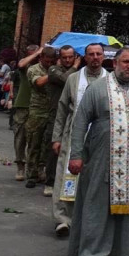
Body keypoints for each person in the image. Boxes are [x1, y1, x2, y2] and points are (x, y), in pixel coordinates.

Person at [66, 46, 129, 256]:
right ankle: (93, 253)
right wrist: (76, 154)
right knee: (98, 204)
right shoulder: (98, 89)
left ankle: (121, 250)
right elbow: (80, 123)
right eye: (125, 62)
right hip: (101, 158)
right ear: (115, 64)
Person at [51, 42, 107, 237]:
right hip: (72, 136)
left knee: (95, 179)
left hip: (100, 139)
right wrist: (56, 137)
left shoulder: (110, 80)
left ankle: (88, 220)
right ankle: (62, 219)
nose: (95, 57)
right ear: (85, 56)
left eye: (98, 54)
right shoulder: (74, 79)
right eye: (91, 54)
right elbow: (62, 108)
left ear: (104, 57)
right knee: (66, 176)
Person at [41, 46, 78, 196]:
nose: (68, 60)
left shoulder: (79, 73)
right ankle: (49, 181)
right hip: (55, 114)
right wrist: (75, 66)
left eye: (70, 57)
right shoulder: (53, 70)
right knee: (54, 148)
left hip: (72, 114)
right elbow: (65, 79)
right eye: (65, 57)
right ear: (60, 58)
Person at [24, 46, 58, 188]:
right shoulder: (34, 69)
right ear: (41, 58)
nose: (49, 64)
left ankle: (41, 171)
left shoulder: (55, 68)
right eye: (47, 61)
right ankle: (31, 174)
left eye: (52, 61)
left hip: (51, 111)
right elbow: (38, 82)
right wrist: (54, 73)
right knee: (34, 143)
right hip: (37, 111)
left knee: (48, 145)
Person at [11, 45, 40, 182]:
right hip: (23, 104)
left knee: (36, 138)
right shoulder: (26, 66)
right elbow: (21, 63)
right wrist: (37, 52)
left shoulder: (44, 66)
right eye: (33, 54)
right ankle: (20, 166)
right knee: (20, 136)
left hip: (39, 105)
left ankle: (35, 167)